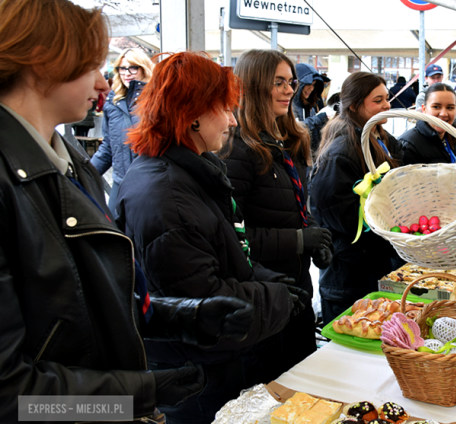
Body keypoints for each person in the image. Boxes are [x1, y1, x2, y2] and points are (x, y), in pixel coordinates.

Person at [0, 1, 262, 421]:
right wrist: (136, 395)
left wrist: (182, 316)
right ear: (40, 64)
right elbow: (13, 397)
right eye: (90, 65)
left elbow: (90, 303)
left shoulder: (67, 161)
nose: (104, 84)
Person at [115, 51, 306, 424]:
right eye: (226, 109)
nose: (233, 120)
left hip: (220, 364)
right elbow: (201, 301)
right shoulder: (165, 195)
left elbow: (227, 249)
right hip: (199, 377)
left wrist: (265, 279)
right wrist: (275, 299)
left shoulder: (192, 173)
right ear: (194, 115)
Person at [220, 49, 332, 382]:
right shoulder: (237, 148)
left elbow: (295, 203)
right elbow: (232, 235)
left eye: (291, 82)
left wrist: (314, 238)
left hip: (296, 291)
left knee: (304, 383)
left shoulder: (287, 139)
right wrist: (298, 240)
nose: (288, 90)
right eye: (278, 83)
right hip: (266, 295)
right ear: (254, 86)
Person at [309, 72, 404, 324]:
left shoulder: (379, 137)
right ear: (354, 106)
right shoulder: (341, 151)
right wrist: (386, 209)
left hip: (372, 264)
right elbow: (340, 215)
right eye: (378, 100)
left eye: (387, 98)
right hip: (348, 274)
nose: (387, 105)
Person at [90, 48, 153, 213]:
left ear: (144, 69)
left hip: (150, 184)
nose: (127, 73)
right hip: (120, 182)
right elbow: (108, 147)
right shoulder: (112, 102)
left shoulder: (156, 101)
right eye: (122, 68)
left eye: (133, 67)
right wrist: (85, 175)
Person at [400, 83, 456, 165]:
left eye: (450, 107)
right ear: (424, 109)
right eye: (436, 107)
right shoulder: (408, 145)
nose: (444, 114)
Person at [293, 63, 330, 157]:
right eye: (308, 84)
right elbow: (294, 130)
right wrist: (318, 120)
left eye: (314, 84)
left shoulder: (310, 108)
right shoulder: (289, 108)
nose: (311, 88)